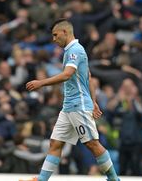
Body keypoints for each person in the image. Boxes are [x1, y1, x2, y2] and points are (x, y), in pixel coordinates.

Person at [25, 19, 119, 181]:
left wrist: (41, 83)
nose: (53, 39)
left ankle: (113, 179)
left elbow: (67, 74)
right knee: (55, 143)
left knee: (92, 144)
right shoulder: (71, 51)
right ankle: (41, 180)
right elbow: (88, 77)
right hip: (69, 106)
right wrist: (94, 101)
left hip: (78, 106)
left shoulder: (75, 50)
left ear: (65, 32)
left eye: (55, 35)